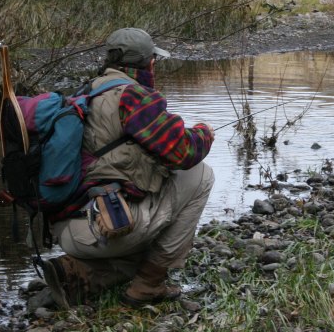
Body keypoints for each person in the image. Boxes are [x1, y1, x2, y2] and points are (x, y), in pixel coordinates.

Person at [41, 28, 215, 309]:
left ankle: (81, 275)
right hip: (106, 229)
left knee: (144, 215)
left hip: (66, 229)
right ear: (150, 63)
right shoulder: (133, 96)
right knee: (201, 175)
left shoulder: (85, 91)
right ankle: (149, 284)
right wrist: (204, 132)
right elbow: (184, 151)